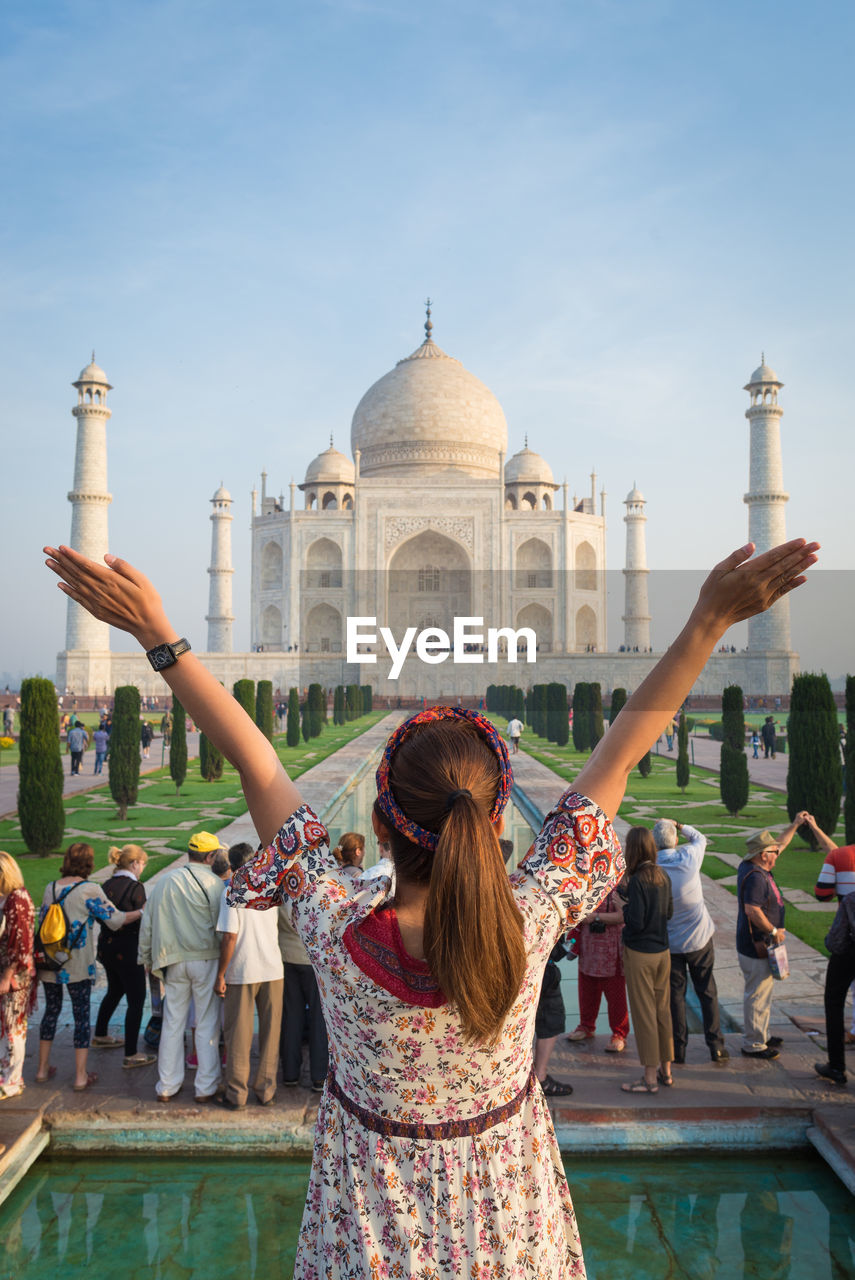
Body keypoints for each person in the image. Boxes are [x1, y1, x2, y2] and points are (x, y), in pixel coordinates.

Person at [44, 533, 818, 1278]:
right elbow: (618, 753)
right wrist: (710, 621)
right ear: (492, 824)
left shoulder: (329, 917)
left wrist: (159, 635)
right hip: (508, 1228)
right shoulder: (530, 920)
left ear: (379, 823)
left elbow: (256, 757)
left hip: (367, 1227)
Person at [36, 842, 142, 1091]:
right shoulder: (89, 889)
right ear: (89, 863)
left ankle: (41, 1069)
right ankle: (80, 1076)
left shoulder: (50, 888)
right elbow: (116, 920)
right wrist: (141, 912)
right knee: (81, 1016)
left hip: (50, 961)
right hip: (76, 964)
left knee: (51, 1012)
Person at [137, 830, 224, 1102]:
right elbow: (223, 930)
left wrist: (146, 959)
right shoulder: (214, 884)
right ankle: (205, 1087)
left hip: (173, 960)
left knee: (173, 1023)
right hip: (206, 959)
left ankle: (167, 1085)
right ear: (210, 856)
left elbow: (147, 924)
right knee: (207, 1022)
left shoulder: (165, 881)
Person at [653, 819, 728, 1064]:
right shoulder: (688, 858)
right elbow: (700, 838)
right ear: (675, 840)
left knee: (676, 996)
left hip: (671, 943)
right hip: (699, 939)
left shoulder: (652, 869)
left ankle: (679, 1050)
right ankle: (716, 1046)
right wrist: (679, 824)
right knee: (707, 992)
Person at [215, 845, 284, 1109]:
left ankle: (236, 1094)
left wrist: (220, 974)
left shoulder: (232, 889)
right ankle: (266, 1091)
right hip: (272, 967)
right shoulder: (268, 886)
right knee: (270, 1035)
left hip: (243, 969)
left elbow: (229, 936)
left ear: (231, 865)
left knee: (238, 1036)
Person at [736, 815, 808, 1060]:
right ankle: (753, 1044)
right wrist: (774, 931)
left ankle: (762, 1036)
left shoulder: (756, 866)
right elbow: (752, 910)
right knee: (757, 995)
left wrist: (796, 824)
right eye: (773, 852)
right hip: (756, 945)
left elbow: (781, 843)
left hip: (759, 945)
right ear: (762, 854)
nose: (778, 853)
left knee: (762, 993)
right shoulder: (756, 877)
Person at [620, 827, 674, 1092]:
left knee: (645, 1015)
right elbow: (670, 912)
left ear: (633, 849)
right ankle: (666, 1070)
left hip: (641, 953)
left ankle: (649, 1078)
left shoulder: (639, 880)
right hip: (663, 951)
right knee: (662, 1011)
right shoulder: (662, 875)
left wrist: (626, 906)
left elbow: (636, 922)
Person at [92, 844, 155, 1068]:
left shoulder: (106, 885)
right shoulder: (134, 888)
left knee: (115, 990)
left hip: (107, 949)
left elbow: (100, 916)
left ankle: (100, 1034)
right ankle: (131, 1054)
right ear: (134, 863)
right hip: (129, 951)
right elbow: (144, 921)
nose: (142, 869)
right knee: (136, 1000)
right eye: (142, 864)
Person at [566, 886, 629, 1052]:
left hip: (612, 946)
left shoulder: (621, 885)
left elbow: (623, 916)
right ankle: (586, 1026)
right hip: (589, 944)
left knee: (615, 993)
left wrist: (595, 917)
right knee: (587, 986)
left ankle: (619, 1033)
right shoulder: (587, 882)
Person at [0, 851, 36, 1100]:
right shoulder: (10, 898)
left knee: (14, 1027)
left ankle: (13, 1079)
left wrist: (7, 975)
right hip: (10, 972)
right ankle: (7, 1073)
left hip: (15, 975)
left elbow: (21, 945)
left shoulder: (17, 900)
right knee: (8, 1026)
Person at [814, 892, 855, 1086]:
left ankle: (837, 1067)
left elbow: (836, 939)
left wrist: (830, 945)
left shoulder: (851, 899)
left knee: (834, 1003)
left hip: (848, 953)